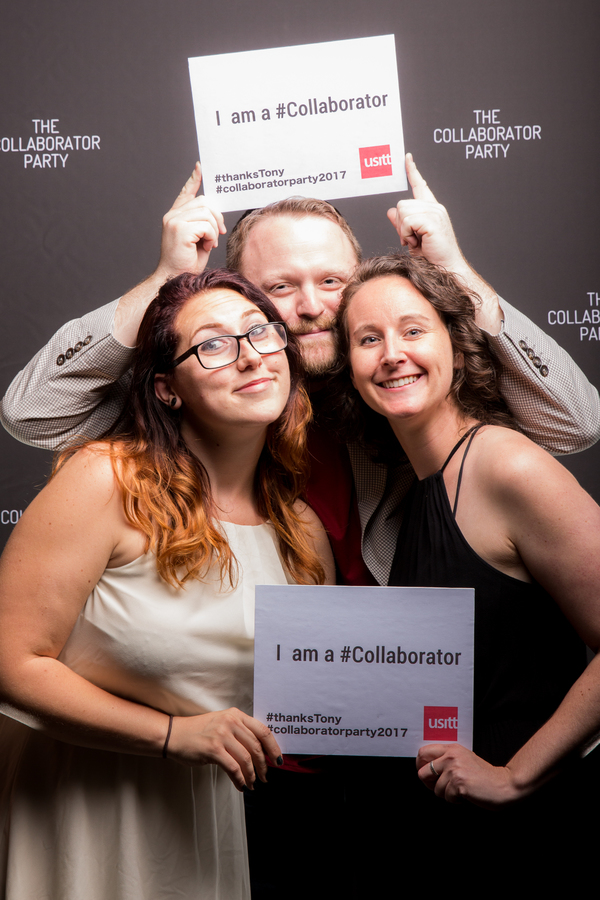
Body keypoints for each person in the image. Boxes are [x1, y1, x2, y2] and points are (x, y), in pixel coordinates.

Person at [2, 155, 599, 588]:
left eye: (332, 282)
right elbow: (32, 415)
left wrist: (453, 270)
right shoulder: (208, 392)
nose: (311, 307)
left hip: (400, 705)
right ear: (242, 296)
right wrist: (166, 281)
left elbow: (576, 423)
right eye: (280, 287)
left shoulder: (402, 387)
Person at [0, 268, 334, 900]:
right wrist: (176, 736)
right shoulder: (106, 480)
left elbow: (312, 695)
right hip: (77, 804)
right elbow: (11, 661)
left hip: (202, 812)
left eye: (260, 332)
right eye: (212, 344)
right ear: (167, 388)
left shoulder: (303, 533)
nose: (248, 356)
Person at [335, 253, 600, 884]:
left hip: (529, 828)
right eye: (368, 339)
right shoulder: (407, 491)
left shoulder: (506, 466)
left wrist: (515, 775)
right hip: (448, 835)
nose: (391, 353)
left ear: (457, 344)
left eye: (413, 330)